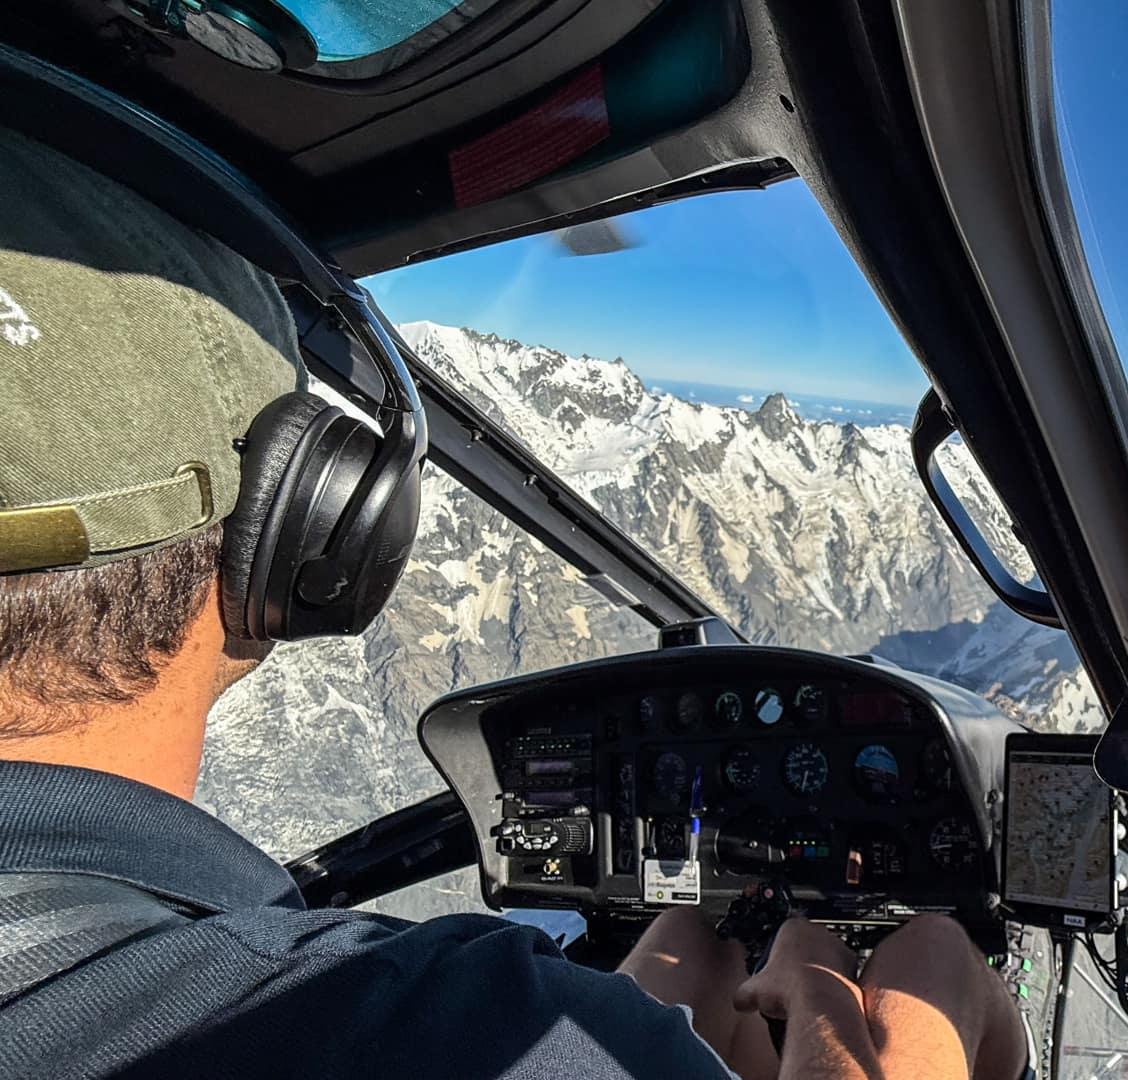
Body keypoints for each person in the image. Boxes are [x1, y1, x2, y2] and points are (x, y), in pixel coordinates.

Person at [0, 128, 1024, 1080]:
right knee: (926, 964)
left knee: (691, 949)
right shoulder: (444, 1029)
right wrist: (858, 1014)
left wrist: (675, 972)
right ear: (298, 537)